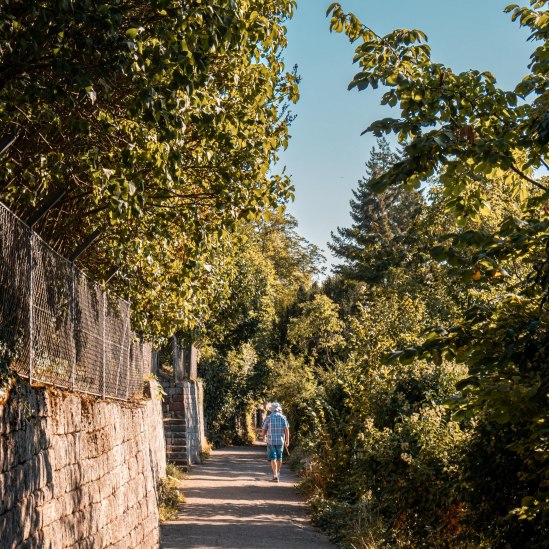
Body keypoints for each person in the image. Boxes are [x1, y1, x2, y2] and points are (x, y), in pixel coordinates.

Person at [261, 402, 289, 482]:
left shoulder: (268, 417)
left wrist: (264, 437)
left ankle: (275, 474)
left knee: (273, 457)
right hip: (280, 441)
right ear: (279, 409)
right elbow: (286, 429)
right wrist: (287, 440)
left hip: (270, 441)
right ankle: (277, 472)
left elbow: (264, 429)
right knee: (279, 457)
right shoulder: (283, 417)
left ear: (272, 410)